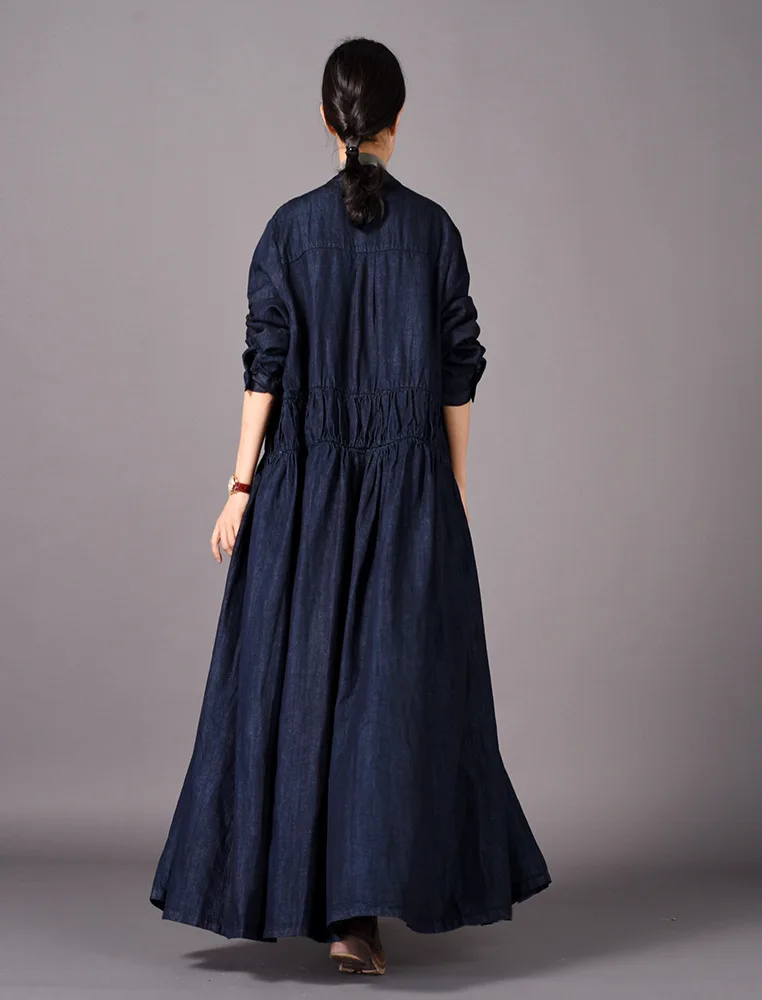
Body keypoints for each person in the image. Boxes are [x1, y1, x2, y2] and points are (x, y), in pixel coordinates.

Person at [149, 36, 551, 977]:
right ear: (396, 122)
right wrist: (451, 489)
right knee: (391, 697)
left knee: (301, 688)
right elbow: (459, 371)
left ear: (327, 122)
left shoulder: (288, 231)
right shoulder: (435, 231)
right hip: (408, 493)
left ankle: (330, 910)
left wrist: (241, 486)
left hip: (305, 493)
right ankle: (357, 917)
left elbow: (265, 364)